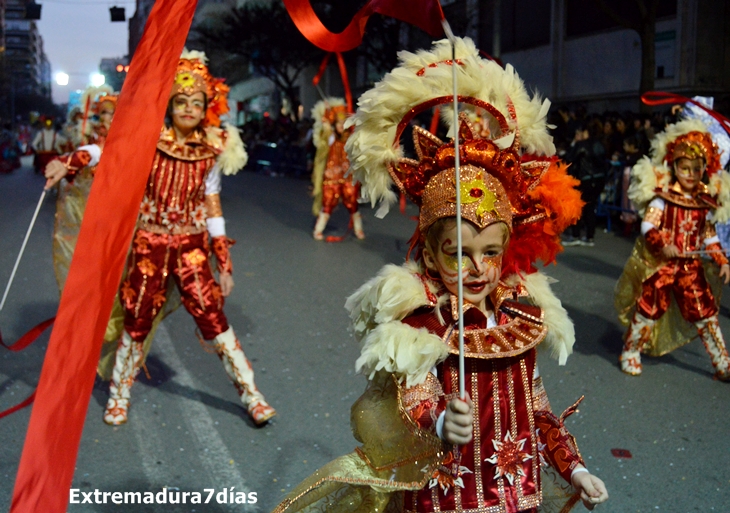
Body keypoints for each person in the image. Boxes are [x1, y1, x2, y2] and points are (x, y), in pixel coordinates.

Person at [273, 37, 608, 513]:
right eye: (459, 252)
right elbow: (417, 397)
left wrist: (575, 468)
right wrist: (438, 423)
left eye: (490, 251)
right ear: (430, 253)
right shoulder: (426, 318)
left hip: (520, 498)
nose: (477, 268)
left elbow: (537, 410)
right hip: (450, 498)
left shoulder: (520, 312)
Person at [44, 50, 276, 426]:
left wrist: (224, 264)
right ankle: (119, 396)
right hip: (149, 248)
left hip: (193, 252)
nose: (188, 108)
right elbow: (108, 150)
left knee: (215, 321)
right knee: (136, 323)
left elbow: (212, 207)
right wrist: (69, 160)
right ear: (169, 106)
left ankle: (252, 395)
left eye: (196, 102)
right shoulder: (148, 141)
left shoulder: (208, 153)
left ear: (206, 109)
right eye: (181, 101)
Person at [615, 119, 730, 381]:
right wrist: (663, 244)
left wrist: (722, 260)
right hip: (662, 266)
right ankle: (631, 351)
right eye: (684, 167)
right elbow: (647, 225)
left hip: (691, 268)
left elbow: (708, 236)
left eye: (696, 168)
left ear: (704, 170)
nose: (690, 173)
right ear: (674, 166)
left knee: (705, 312)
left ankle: (722, 363)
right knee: (648, 309)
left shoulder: (703, 202)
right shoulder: (662, 198)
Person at [50, 89, 118, 291]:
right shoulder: (95, 141)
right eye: (105, 113)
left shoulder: (133, 140)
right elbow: (92, 152)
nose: (110, 117)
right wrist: (68, 162)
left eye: (114, 112)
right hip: (94, 208)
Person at [311, 102, 364, 240]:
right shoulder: (330, 137)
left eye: (343, 123)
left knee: (353, 204)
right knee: (327, 204)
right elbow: (323, 141)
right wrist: (326, 121)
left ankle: (358, 229)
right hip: (331, 176)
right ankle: (318, 230)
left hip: (347, 176)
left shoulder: (350, 137)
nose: (340, 126)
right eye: (338, 123)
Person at [563, 121, 608, 247]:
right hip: (598, 180)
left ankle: (576, 235)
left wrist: (573, 143)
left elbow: (569, 158)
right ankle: (589, 236)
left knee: (577, 206)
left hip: (585, 179)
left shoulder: (581, 145)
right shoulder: (599, 144)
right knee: (590, 207)